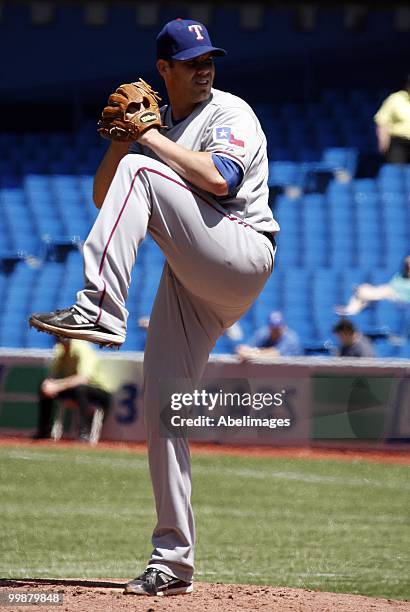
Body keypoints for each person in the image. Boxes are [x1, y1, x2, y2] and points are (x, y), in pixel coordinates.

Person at [29, 19, 278, 597]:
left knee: (144, 169)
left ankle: (99, 309)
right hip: (192, 279)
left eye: (207, 57)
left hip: (239, 249)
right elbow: (103, 198)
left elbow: (220, 179)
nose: (204, 67)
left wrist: (148, 141)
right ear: (164, 70)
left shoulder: (230, 114)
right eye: (190, 61)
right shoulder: (160, 128)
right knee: (167, 410)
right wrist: (126, 138)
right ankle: (173, 562)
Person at [33, 338, 112, 440]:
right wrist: (48, 384)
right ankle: (44, 431)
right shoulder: (59, 349)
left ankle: (84, 432)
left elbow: (83, 379)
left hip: (98, 389)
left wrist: (57, 386)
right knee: (44, 387)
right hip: (73, 387)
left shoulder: (83, 349)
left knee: (80, 389)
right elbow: (53, 375)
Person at [335, 255, 410, 316]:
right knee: (365, 287)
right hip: (388, 292)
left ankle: (353, 308)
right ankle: (354, 306)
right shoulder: (399, 276)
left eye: (409, 266)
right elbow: (391, 285)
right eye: (406, 266)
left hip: (397, 298)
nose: (407, 268)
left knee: (364, 291)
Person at [236, 311, 301, 360]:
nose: (276, 331)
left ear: (284, 326)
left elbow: (276, 354)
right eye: (273, 328)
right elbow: (245, 347)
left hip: (292, 373)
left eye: (278, 328)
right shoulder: (263, 332)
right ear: (269, 327)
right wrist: (243, 350)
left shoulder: (291, 337)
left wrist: (251, 353)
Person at [374, 74, 410, 163]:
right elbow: (382, 122)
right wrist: (383, 142)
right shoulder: (395, 99)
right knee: (396, 170)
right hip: (399, 143)